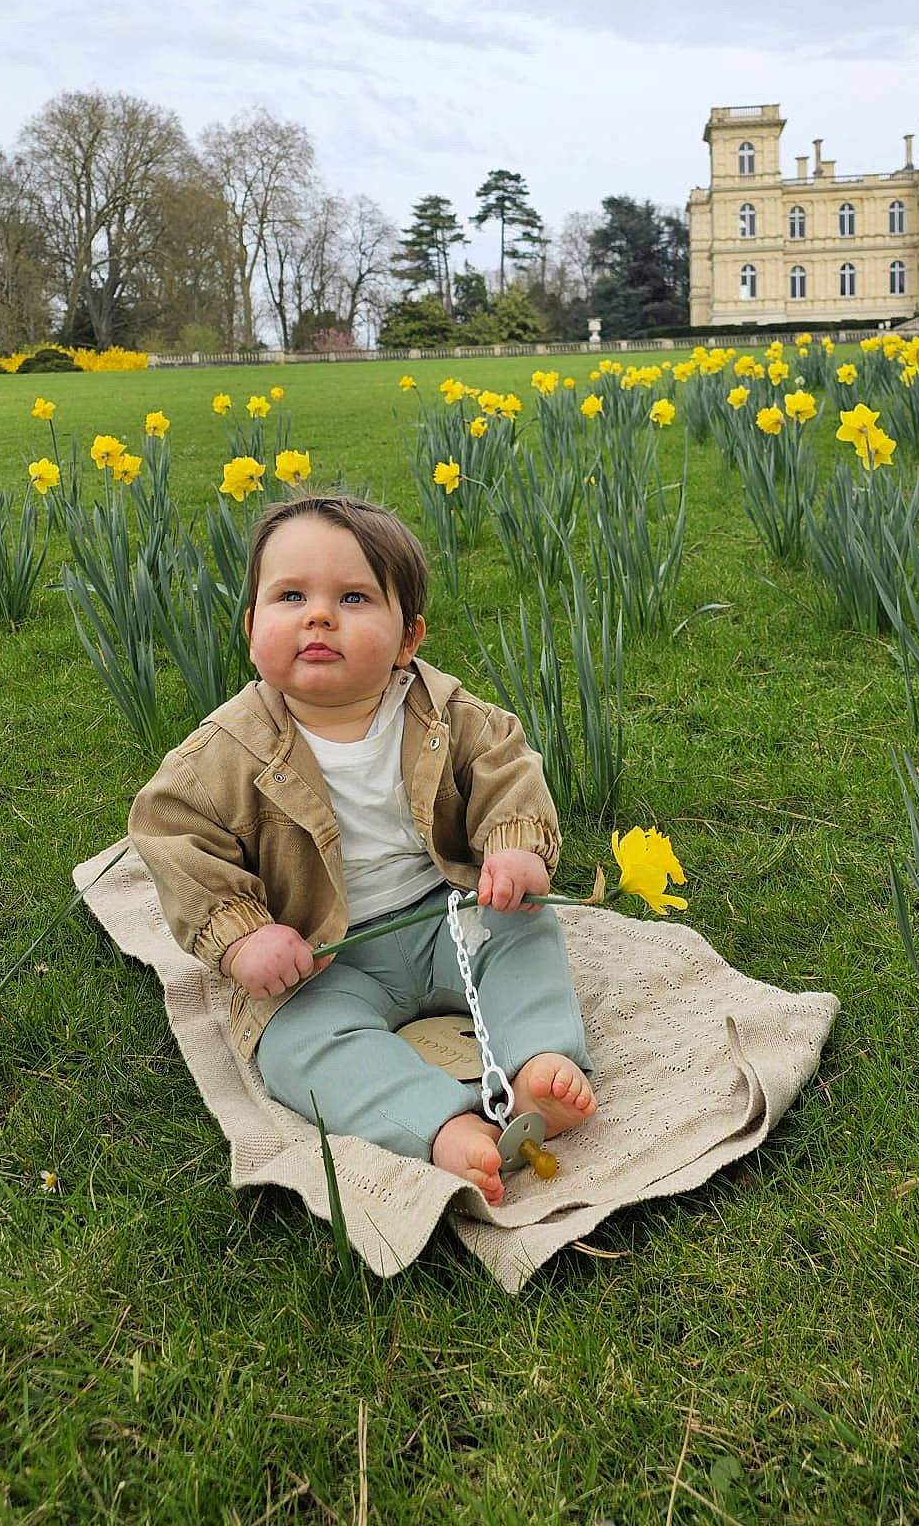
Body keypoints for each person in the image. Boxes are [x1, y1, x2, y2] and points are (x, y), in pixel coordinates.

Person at [129, 493, 595, 1205]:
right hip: (320, 960)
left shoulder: (445, 712)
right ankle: (438, 1126)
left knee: (523, 927)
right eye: (291, 596)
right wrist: (243, 937)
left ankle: (539, 1064)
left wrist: (513, 849)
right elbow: (173, 833)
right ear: (253, 629)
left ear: (408, 638)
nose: (318, 616)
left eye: (352, 596)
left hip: (443, 918)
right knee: (295, 1046)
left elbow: (506, 768)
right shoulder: (223, 753)